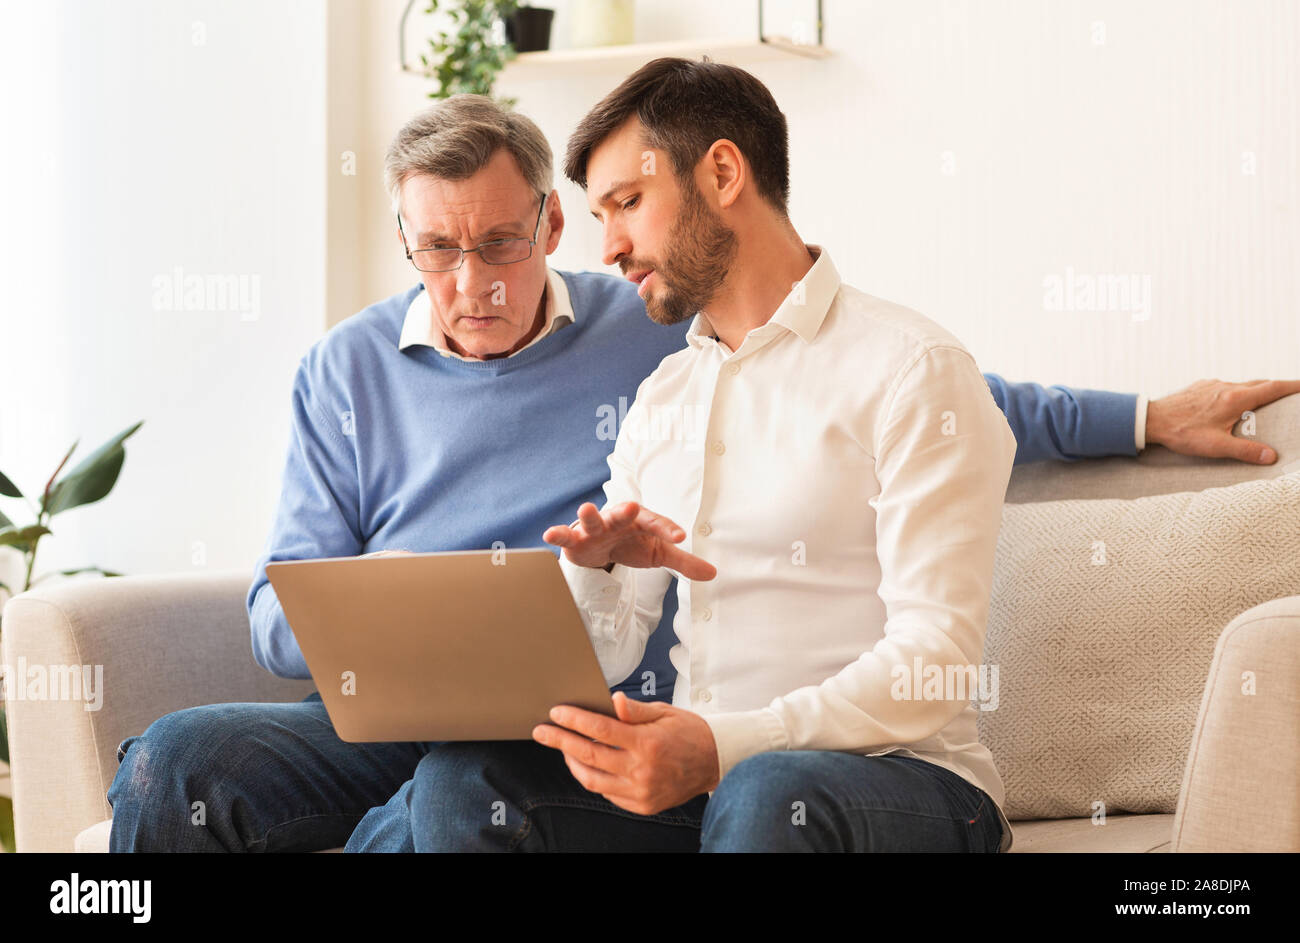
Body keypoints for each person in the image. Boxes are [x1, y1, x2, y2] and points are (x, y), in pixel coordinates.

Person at [105, 91, 1298, 853]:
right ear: (406, 244)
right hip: (411, 711)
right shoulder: (376, 370)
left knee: (666, 787)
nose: (472, 278)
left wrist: (1142, 412)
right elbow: (294, 603)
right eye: (438, 250)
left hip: (678, 738)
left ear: (552, 230)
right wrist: (420, 616)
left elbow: (950, 404)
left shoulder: (674, 332)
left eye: (507, 239)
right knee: (188, 760)